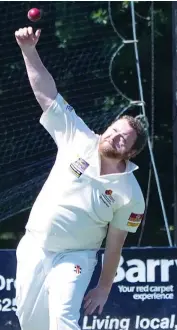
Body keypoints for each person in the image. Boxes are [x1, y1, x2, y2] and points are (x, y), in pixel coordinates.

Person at [14, 27, 148, 330]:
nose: (114, 138)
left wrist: (103, 287)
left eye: (123, 140)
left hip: (77, 256)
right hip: (34, 245)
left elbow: (115, 245)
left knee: (63, 319)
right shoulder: (77, 136)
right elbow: (48, 96)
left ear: (131, 153)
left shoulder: (131, 195)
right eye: (114, 131)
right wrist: (28, 50)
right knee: (30, 323)